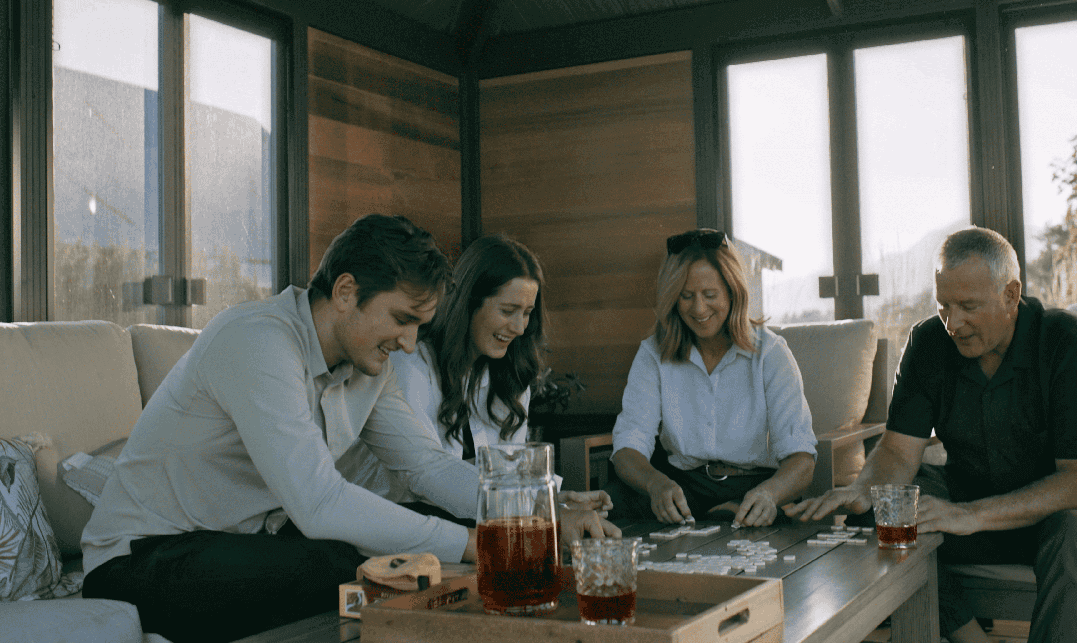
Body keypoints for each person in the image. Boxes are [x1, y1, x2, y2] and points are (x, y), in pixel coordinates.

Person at [79, 215, 611, 643]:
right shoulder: (258, 340)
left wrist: (539, 513)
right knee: (338, 560)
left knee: (415, 526)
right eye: (402, 319)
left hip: (250, 543)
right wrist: (481, 546)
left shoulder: (365, 367)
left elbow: (427, 466)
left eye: (419, 327)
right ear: (346, 290)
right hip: (144, 557)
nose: (408, 343)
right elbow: (319, 503)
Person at [786, 227, 1077, 643]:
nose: (953, 323)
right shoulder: (927, 342)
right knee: (883, 509)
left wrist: (970, 515)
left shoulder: (1070, 341)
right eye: (944, 306)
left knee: (1074, 533)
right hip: (979, 494)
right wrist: (867, 488)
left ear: (1011, 296)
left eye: (968, 306)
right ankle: (970, 638)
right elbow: (899, 453)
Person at [389, 233, 611, 522]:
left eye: (527, 313)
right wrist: (540, 506)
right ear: (468, 302)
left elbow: (509, 474)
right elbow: (429, 477)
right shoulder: (411, 364)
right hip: (409, 524)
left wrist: (552, 499)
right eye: (508, 311)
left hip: (478, 526)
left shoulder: (510, 377)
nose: (519, 327)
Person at [605, 228, 818, 528]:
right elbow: (628, 447)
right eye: (686, 296)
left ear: (733, 291)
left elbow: (801, 461)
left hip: (756, 488)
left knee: (748, 521)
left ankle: (729, 511)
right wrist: (656, 484)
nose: (699, 309)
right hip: (681, 487)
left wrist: (771, 494)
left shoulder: (771, 353)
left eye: (710, 295)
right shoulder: (653, 353)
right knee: (609, 509)